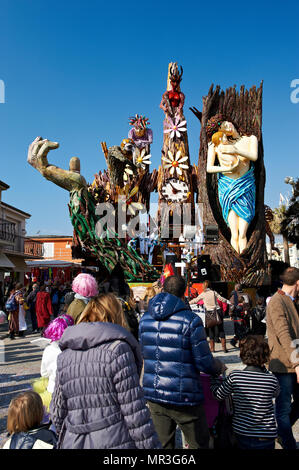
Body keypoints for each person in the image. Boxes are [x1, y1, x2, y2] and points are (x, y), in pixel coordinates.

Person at [50, 293, 160, 449]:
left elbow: (57, 411)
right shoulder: (118, 350)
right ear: (116, 315)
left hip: (74, 441)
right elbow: (134, 412)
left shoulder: (65, 355)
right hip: (114, 439)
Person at [139, 275, 225, 449]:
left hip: (154, 392)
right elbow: (204, 362)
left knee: (162, 445)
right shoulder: (190, 320)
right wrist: (219, 367)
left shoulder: (145, 319)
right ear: (184, 292)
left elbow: (145, 352)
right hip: (184, 395)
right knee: (198, 443)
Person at [210, 335, 280, 449]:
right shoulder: (271, 379)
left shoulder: (236, 377)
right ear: (265, 356)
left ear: (243, 355)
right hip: (266, 434)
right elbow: (276, 393)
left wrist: (214, 377)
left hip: (242, 432)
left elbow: (218, 394)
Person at [266, 267, 299, 449]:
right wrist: (297, 362)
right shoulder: (278, 301)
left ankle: (281, 433)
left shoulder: (290, 300)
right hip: (284, 365)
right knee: (283, 408)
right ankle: (288, 443)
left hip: (293, 362)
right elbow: (284, 334)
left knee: (291, 406)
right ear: (298, 283)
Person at [32, 314, 74, 412]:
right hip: (71, 392)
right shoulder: (74, 349)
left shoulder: (48, 350)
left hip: (52, 391)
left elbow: (44, 373)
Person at [190, 280, 229, 353]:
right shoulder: (214, 292)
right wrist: (228, 301)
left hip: (209, 312)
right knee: (221, 330)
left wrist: (188, 303)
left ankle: (212, 349)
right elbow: (221, 299)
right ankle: (224, 348)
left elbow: (195, 300)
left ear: (204, 286)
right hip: (218, 311)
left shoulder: (203, 294)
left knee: (211, 330)